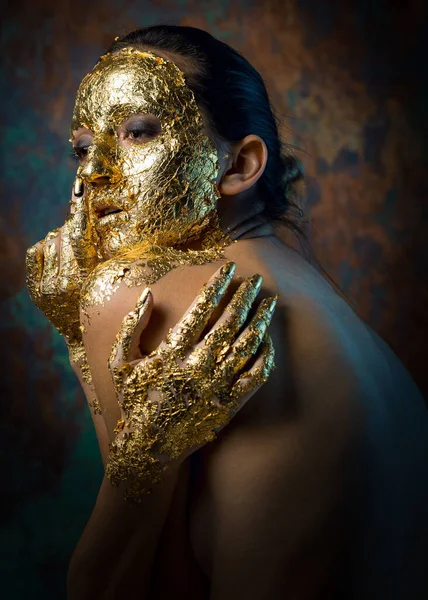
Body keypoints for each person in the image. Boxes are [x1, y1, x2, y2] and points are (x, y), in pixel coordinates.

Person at [26, 25, 427, 600]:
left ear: (238, 164)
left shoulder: (138, 290)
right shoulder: (328, 309)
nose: (93, 176)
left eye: (139, 132)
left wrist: (141, 451)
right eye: (85, 147)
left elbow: (121, 587)